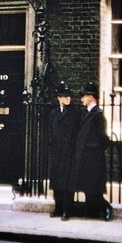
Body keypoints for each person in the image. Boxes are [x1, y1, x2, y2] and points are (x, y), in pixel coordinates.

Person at [70, 82, 111, 221]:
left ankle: (106, 208)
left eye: (84, 96)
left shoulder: (98, 115)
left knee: (94, 186)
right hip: (83, 155)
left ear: (91, 97)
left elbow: (102, 137)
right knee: (87, 186)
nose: (81, 99)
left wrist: (96, 148)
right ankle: (91, 212)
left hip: (94, 156)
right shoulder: (84, 113)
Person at [47, 81, 78, 219]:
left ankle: (67, 210)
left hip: (69, 153)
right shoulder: (53, 114)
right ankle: (58, 208)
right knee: (56, 182)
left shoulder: (75, 113)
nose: (68, 98)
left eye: (69, 96)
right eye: (65, 96)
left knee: (67, 184)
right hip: (56, 153)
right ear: (59, 98)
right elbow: (49, 132)